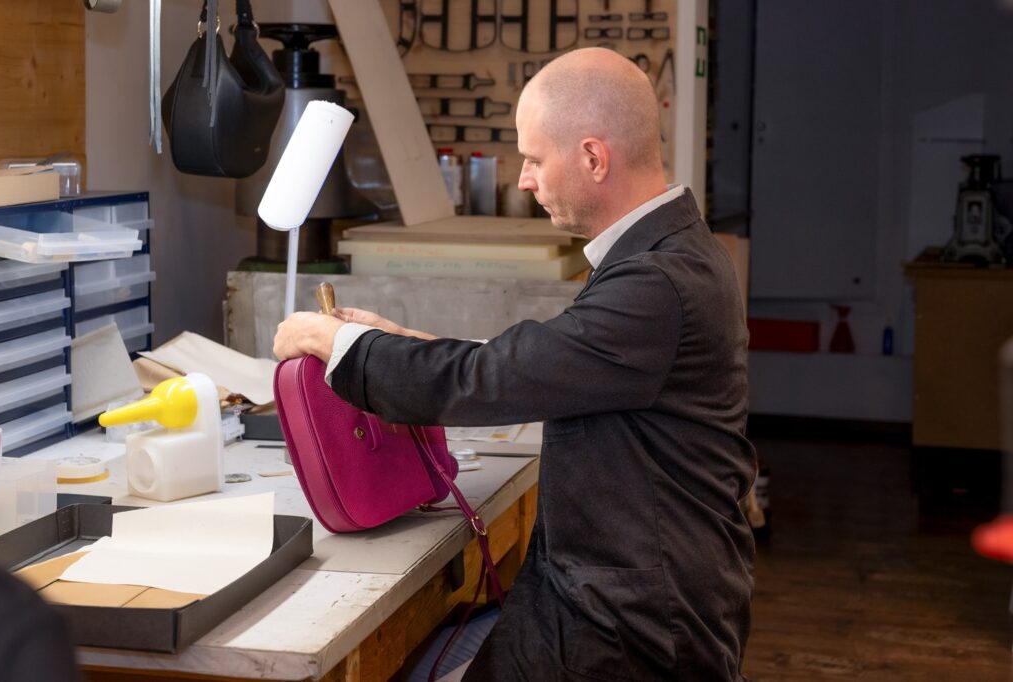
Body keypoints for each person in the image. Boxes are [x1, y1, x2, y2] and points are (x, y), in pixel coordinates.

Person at [274, 47, 755, 681]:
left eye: (533, 159)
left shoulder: (656, 281)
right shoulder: (671, 250)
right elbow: (551, 362)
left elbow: (502, 376)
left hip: (633, 629)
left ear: (592, 156)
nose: (525, 179)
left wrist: (338, 348)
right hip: (622, 592)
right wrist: (399, 340)